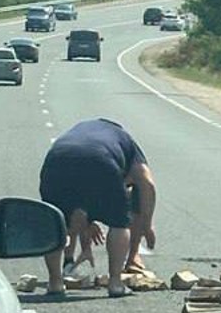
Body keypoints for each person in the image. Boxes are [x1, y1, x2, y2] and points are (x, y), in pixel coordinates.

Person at [38, 118, 158, 298]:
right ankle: (115, 283)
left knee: (56, 224)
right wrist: (147, 224)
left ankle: (55, 282)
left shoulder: (82, 130)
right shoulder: (128, 143)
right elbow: (146, 182)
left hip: (56, 160)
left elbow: (79, 197)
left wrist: (87, 223)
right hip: (101, 161)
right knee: (119, 223)